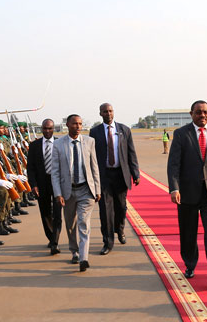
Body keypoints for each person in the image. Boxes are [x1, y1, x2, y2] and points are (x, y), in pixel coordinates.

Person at [167, 100, 207, 288]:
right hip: (187, 193)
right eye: (198, 112)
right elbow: (174, 164)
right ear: (191, 114)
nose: (202, 115)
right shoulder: (181, 134)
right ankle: (190, 264)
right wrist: (174, 188)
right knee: (188, 232)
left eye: (206, 112)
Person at [51, 114, 101, 271]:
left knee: (84, 223)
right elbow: (55, 172)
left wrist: (97, 189)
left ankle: (84, 258)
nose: (78, 126)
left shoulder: (89, 142)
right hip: (68, 191)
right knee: (70, 224)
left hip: (86, 189)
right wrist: (58, 193)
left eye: (80, 124)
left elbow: (94, 167)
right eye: (74, 124)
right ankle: (74, 251)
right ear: (67, 125)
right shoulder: (58, 144)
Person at [89, 103, 140, 255]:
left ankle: (120, 229)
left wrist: (135, 173)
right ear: (100, 114)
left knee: (121, 207)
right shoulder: (94, 132)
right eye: (105, 111)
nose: (108, 114)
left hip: (121, 175)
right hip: (103, 176)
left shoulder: (124, 130)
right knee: (105, 211)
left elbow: (131, 153)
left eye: (110, 111)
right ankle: (108, 242)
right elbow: (91, 155)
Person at [27, 118, 63, 254]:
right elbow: (30, 168)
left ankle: (55, 242)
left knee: (57, 213)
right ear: (41, 129)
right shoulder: (34, 145)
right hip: (41, 183)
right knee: (45, 212)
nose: (47, 131)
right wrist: (33, 185)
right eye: (45, 128)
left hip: (57, 182)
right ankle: (51, 237)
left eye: (50, 128)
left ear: (54, 129)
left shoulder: (60, 143)